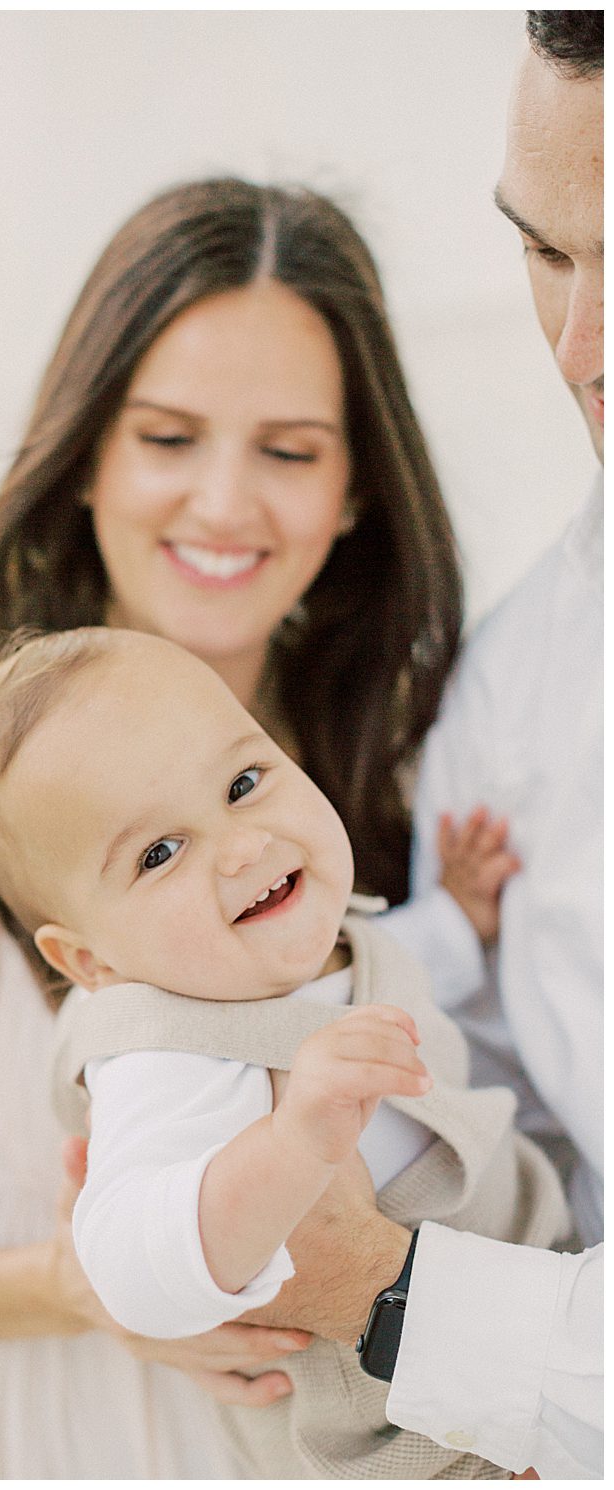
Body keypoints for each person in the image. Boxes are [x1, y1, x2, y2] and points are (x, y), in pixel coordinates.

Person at [0, 177, 469, 1478]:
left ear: (355, 492)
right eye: (168, 437)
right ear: (85, 462)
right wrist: (81, 1282)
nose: (225, 503)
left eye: (289, 451)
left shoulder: (399, 786)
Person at [0, 623, 567, 1479]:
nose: (243, 845)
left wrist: (456, 919)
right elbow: (128, 1259)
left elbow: (378, 971)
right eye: (158, 854)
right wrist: (292, 1144)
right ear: (92, 962)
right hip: (412, 1437)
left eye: (242, 781)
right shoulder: (166, 1060)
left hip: (539, 1291)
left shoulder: (305, 939)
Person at [239, 11, 603, 1480]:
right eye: (547, 251)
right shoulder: (518, 684)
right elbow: (518, 1129)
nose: (582, 349)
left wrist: (384, 1293)